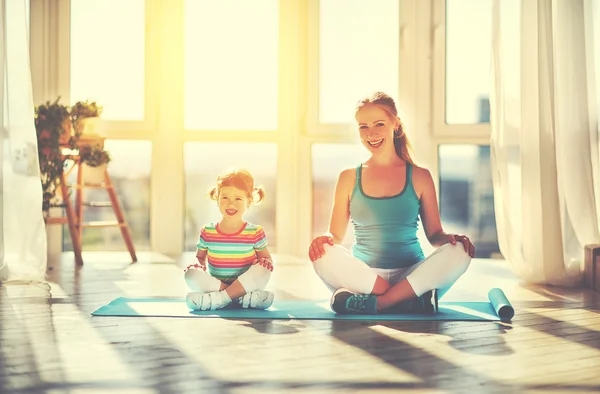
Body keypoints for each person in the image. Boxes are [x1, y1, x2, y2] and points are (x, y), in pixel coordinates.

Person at [308, 91, 475, 315]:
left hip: (412, 276)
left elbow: (435, 235)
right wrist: (324, 240)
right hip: (365, 277)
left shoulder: (419, 176)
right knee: (322, 255)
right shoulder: (348, 177)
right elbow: (335, 235)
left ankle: (379, 302)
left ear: (395, 124)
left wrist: (452, 240)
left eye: (379, 124)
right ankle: (405, 300)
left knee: (461, 253)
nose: (372, 133)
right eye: (363, 126)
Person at [184, 169, 275, 311]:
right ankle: (241, 298)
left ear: (249, 201)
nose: (231, 204)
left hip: (247, 283)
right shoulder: (208, 231)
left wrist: (265, 262)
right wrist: (197, 265)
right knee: (190, 274)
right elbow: (199, 257)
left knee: (264, 270)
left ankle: (219, 299)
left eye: (238, 199)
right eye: (225, 198)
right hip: (217, 284)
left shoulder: (255, 232)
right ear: (217, 198)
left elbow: (267, 259)